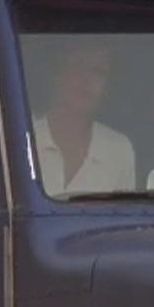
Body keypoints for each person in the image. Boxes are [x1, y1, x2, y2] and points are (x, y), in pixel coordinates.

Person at [31, 42, 135, 196]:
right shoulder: (23, 134)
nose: (87, 80)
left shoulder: (118, 149)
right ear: (56, 72)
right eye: (78, 65)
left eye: (98, 71)